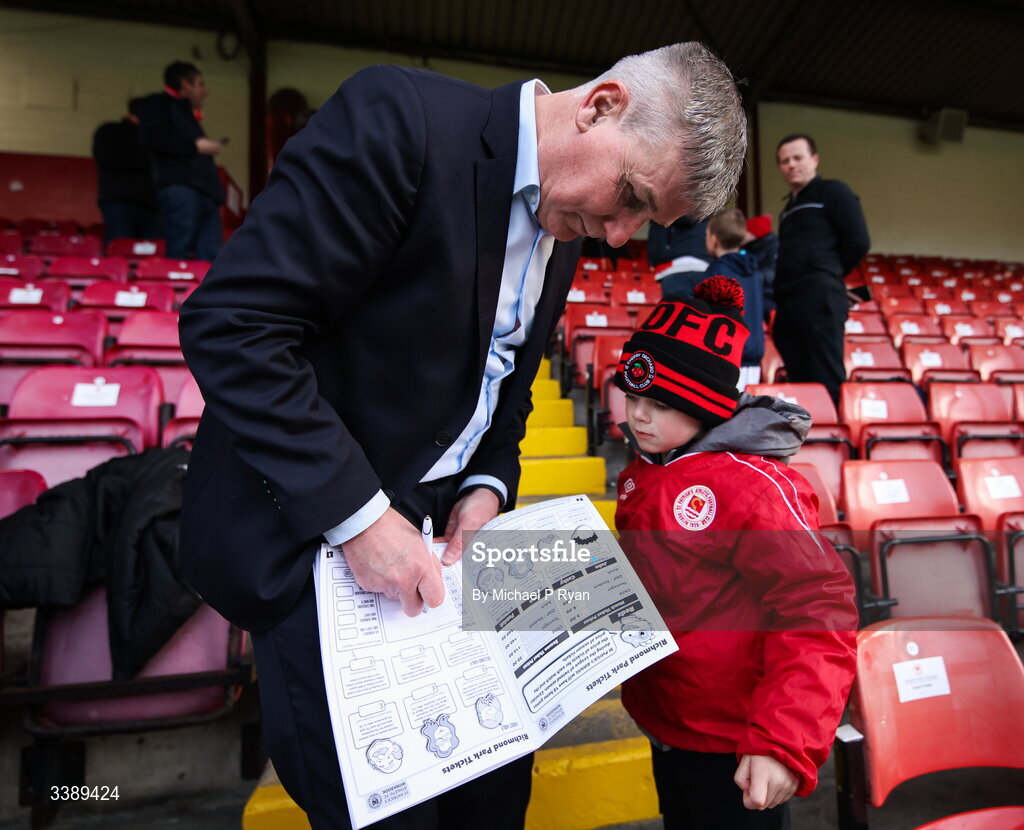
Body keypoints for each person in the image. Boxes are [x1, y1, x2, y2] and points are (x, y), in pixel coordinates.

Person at [177, 43, 747, 830]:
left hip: (447, 541)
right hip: (318, 536)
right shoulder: (400, 123)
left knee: (497, 793)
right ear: (601, 104)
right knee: (391, 813)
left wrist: (486, 487)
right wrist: (362, 518)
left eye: (646, 222)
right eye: (630, 196)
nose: (620, 236)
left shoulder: (570, 222)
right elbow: (233, 325)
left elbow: (504, 395)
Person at [613, 276, 858, 830]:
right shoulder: (649, 467)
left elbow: (818, 611)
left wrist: (781, 741)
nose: (639, 417)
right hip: (666, 715)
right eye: (632, 397)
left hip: (738, 739)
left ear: (706, 406)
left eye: (659, 403)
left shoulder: (753, 488)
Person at [773, 133, 869, 403]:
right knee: (799, 382)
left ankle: (834, 440)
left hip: (818, 296)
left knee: (825, 377)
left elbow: (858, 241)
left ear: (814, 160)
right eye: (784, 161)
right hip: (789, 303)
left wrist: (827, 274)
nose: (791, 165)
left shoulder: (833, 191)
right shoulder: (788, 209)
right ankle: (811, 440)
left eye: (797, 158)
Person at [660, 208, 766, 388]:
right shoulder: (754, 273)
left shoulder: (715, 274)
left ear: (714, 240)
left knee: (727, 414)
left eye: (706, 234)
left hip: (728, 359)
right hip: (754, 359)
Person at [137, 61, 225, 260]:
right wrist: (195, 147)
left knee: (211, 257)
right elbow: (151, 139)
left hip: (206, 194)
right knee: (180, 250)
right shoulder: (157, 103)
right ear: (186, 85)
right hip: (181, 189)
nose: (205, 91)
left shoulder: (186, 113)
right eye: (200, 84)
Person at [91, 98, 162, 246]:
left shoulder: (153, 138)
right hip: (119, 202)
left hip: (152, 206)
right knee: (119, 248)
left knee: (153, 254)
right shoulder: (110, 131)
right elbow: (108, 157)